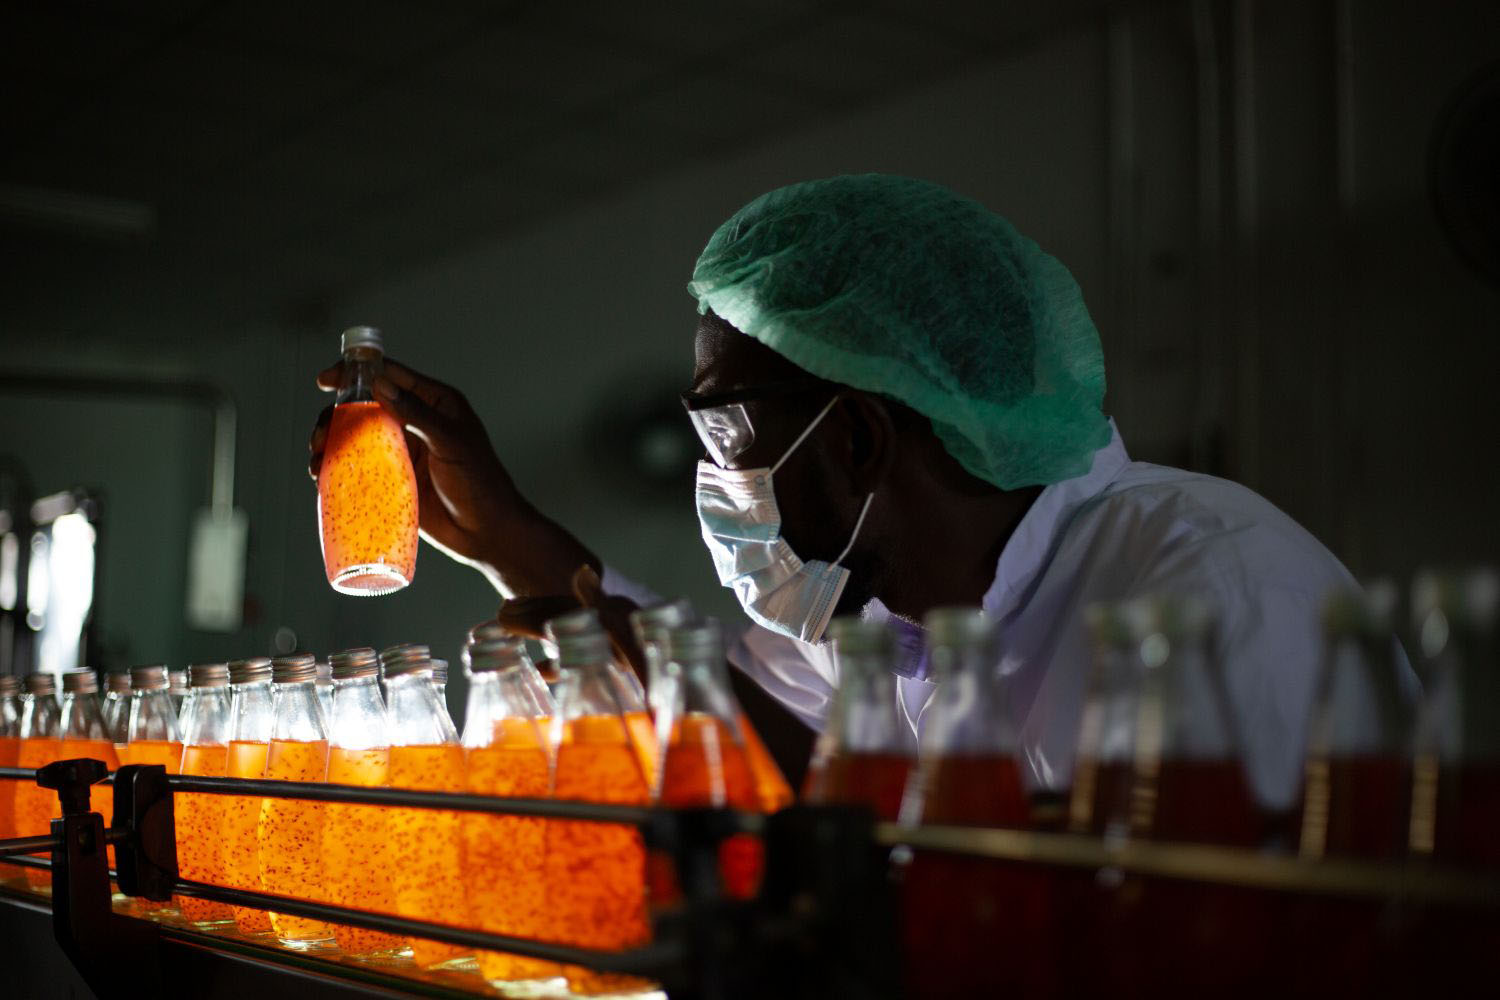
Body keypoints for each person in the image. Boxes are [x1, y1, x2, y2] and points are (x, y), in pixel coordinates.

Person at [309, 174, 1360, 809]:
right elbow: (762, 714)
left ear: (856, 435)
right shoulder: (886, 624)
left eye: (724, 431)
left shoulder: (1212, 599)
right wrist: (517, 544)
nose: (711, 479)